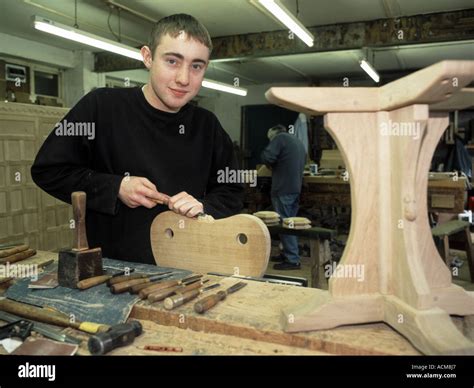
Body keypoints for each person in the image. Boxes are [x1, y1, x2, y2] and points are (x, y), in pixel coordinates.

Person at [31, 14, 243, 264]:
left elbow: (232, 191)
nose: (184, 78)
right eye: (173, 61)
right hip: (113, 269)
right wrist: (115, 187)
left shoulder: (208, 126)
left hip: (187, 267)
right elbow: (49, 171)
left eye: (196, 66)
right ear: (148, 57)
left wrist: (204, 206)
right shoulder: (101, 107)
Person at [261, 124, 306, 270]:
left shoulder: (279, 139)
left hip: (283, 188)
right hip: (295, 187)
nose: (271, 142)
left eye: (270, 139)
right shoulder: (296, 141)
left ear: (273, 134)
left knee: (285, 224)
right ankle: (287, 253)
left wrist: (270, 164)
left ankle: (292, 260)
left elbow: (267, 156)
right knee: (289, 223)